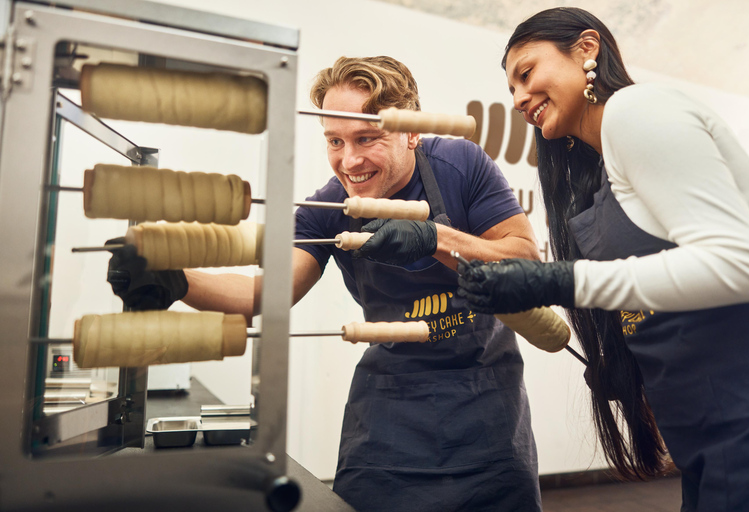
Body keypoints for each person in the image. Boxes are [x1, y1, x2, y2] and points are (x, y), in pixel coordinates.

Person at [108, 56, 543, 511]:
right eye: (334, 140)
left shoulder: (461, 165)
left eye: (366, 138)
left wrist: (434, 238)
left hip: (485, 402)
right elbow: (263, 295)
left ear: (412, 131)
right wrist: (176, 277)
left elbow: (525, 265)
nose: (348, 160)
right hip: (390, 412)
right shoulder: (328, 207)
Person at [456, 7, 749, 512]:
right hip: (705, 434)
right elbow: (663, 284)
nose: (516, 99)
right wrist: (630, 358)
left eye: (526, 73)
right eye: (510, 89)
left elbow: (743, 264)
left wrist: (563, 281)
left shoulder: (639, 111)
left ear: (587, 48)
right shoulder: (601, 174)